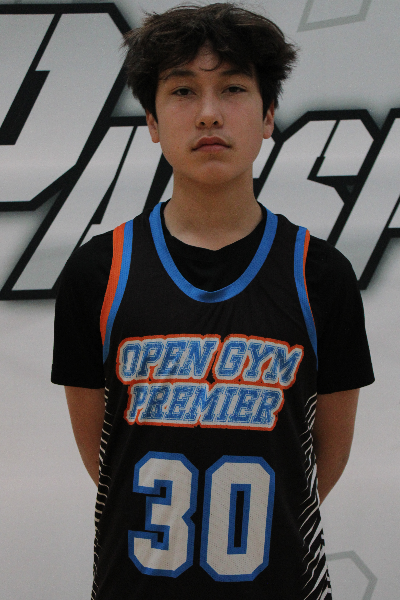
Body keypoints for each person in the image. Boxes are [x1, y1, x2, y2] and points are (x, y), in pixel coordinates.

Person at [51, 3, 374, 599]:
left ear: (268, 114)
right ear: (151, 120)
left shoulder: (321, 276)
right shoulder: (97, 274)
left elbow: (320, 465)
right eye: (182, 91)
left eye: (233, 88)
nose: (208, 113)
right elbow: (107, 461)